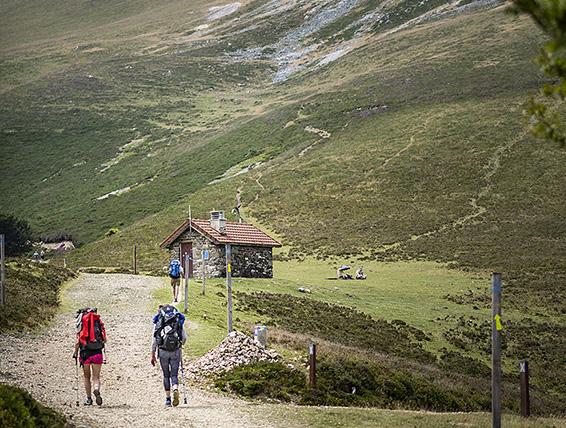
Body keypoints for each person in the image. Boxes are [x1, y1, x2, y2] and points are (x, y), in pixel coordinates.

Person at [151, 305, 187, 407]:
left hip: (163, 351)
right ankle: (175, 388)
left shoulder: (158, 322)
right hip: (176, 351)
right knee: (174, 374)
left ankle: (168, 399)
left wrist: (152, 354)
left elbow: (154, 341)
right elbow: (184, 338)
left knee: (166, 375)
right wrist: (180, 344)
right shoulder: (177, 321)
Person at [73, 308, 106, 406]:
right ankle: (96, 389)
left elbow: (77, 341)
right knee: (96, 377)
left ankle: (89, 399)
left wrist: (75, 352)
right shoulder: (97, 322)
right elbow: (104, 339)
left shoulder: (81, 324)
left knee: (87, 376)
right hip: (97, 353)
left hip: (85, 353)